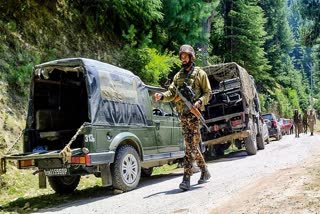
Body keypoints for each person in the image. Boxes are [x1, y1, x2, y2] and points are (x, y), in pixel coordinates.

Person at [154, 44, 211, 191]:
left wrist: (199, 102)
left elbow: (207, 93)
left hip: (194, 115)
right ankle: (204, 171)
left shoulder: (200, 74)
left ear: (191, 57)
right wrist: (161, 96)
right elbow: (171, 93)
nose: (183, 59)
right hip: (183, 117)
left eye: (186, 56)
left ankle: (186, 179)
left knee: (190, 148)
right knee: (192, 147)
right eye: (182, 57)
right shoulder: (178, 76)